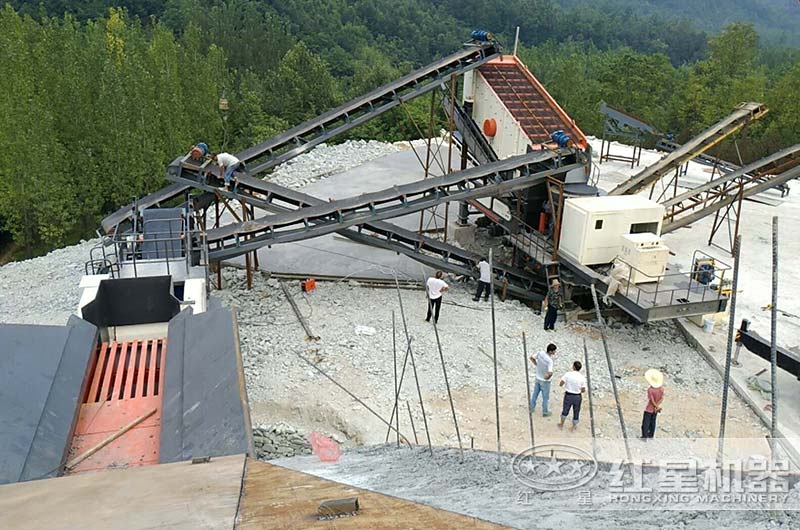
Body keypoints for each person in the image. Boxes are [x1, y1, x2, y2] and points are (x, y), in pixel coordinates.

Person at [529, 343, 557, 417]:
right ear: (550, 351)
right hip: (545, 382)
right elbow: (550, 372)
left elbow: (532, 358)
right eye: (554, 351)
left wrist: (536, 364)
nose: (555, 352)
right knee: (545, 398)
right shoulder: (550, 361)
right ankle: (545, 412)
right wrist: (547, 377)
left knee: (535, 394)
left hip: (538, 378)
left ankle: (531, 408)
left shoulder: (540, 353)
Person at [558, 360, 587, 431]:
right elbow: (583, 390)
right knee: (576, 411)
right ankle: (573, 427)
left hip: (568, 395)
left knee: (565, 410)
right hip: (577, 396)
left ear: (573, 367)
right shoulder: (582, 378)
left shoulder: (568, 374)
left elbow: (561, 383)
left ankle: (561, 424)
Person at [641, 368, 665, 439]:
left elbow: (651, 400)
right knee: (653, 421)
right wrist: (657, 406)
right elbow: (661, 398)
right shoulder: (661, 389)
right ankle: (651, 434)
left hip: (649, 408)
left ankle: (644, 436)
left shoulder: (650, 390)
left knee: (646, 422)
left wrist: (655, 405)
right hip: (655, 409)